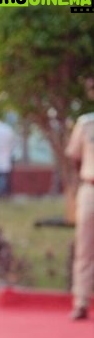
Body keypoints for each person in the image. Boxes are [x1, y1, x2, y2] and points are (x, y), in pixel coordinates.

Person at [66, 77, 94, 322]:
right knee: (85, 247)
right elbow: (74, 157)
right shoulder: (86, 124)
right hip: (90, 187)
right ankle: (81, 301)